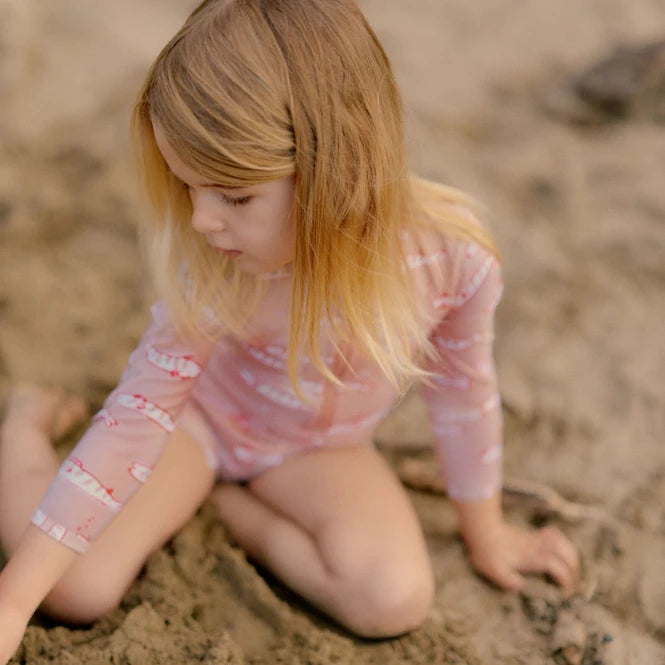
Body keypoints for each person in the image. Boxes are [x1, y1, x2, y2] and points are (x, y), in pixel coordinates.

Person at [0, 0, 580, 658]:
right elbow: (133, 419)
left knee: (392, 596)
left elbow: (462, 395)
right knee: (76, 588)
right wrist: (13, 600)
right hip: (199, 423)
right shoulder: (220, 271)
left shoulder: (450, 261)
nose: (201, 223)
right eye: (189, 189)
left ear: (338, 169)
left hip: (317, 447)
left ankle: (227, 510)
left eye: (234, 196)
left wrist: (487, 533)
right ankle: (21, 425)